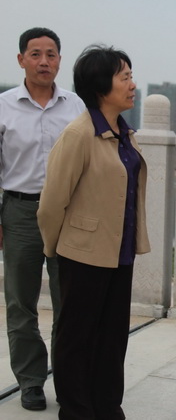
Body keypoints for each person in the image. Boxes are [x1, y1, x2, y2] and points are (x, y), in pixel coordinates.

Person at [37, 44, 149, 419]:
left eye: (131, 76)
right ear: (101, 86)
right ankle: (76, 410)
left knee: (113, 336)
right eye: (125, 77)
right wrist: (57, 248)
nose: (132, 85)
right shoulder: (79, 134)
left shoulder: (125, 133)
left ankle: (107, 406)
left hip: (120, 252)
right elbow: (52, 203)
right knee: (77, 337)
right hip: (82, 253)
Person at [0, 27, 85, 411]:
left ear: (59, 61)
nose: (44, 61)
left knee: (69, 301)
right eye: (35, 54)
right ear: (21, 60)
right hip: (20, 211)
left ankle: (68, 379)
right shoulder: (4, 106)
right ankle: (31, 381)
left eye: (51, 54)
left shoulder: (75, 106)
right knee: (21, 302)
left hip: (68, 212)